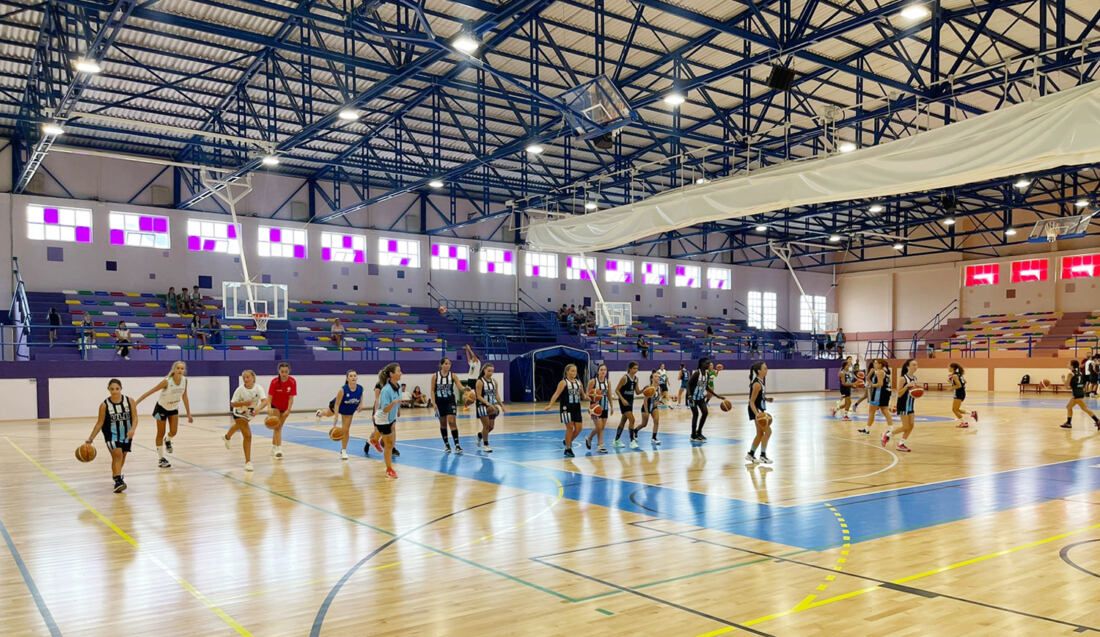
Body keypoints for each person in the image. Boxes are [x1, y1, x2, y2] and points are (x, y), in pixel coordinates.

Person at [135, 361, 193, 468]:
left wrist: (189, 414)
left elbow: (185, 396)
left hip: (173, 408)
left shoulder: (185, 380)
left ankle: (168, 440)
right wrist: (136, 403)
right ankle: (161, 459)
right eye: (178, 368)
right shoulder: (166, 381)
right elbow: (150, 392)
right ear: (174, 370)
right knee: (160, 433)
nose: (180, 370)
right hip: (160, 409)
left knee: (174, 432)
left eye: (182, 368)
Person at [84, 379, 138, 493]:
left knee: (121, 458)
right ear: (108, 389)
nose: (114, 391)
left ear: (121, 388)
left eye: (117, 389)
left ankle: (116, 476)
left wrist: (133, 429)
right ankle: (118, 481)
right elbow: (99, 423)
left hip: (127, 434)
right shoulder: (104, 405)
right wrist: (90, 438)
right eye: (112, 389)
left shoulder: (130, 401)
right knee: (117, 455)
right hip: (111, 435)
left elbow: (135, 418)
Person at [223, 370, 270, 472]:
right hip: (238, 413)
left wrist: (258, 409)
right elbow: (232, 404)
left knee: (238, 426)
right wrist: (244, 403)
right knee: (248, 435)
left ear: (253, 377)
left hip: (249, 414)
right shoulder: (240, 389)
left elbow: (265, 401)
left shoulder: (258, 388)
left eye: (248, 377)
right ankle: (248, 462)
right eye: (244, 377)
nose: (245, 379)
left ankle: (227, 437)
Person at [367, 363, 402, 479]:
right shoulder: (386, 390)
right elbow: (385, 409)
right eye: (398, 371)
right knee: (389, 444)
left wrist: (398, 409)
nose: (401, 373)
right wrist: (394, 403)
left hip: (390, 418)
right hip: (383, 419)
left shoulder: (398, 386)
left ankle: (374, 440)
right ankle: (389, 470)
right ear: (391, 374)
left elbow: (398, 400)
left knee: (387, 441)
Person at [545, 364, 587, 458]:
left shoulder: (579, 382)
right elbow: (556, 394)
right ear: (567, 372)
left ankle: (567, 441)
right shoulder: (563, 382)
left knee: (579, 428)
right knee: (570, 427)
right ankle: (568, 448)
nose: (574, 373)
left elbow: (584, 396)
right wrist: (550, 404)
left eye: (575, 371)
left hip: (577, 407)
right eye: (572, 371)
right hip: (566, 408)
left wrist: (594, 396)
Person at [328, 370, 367, 460]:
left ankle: (344, 450)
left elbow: (361, 395)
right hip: (338, 406)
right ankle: (320, 413)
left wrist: (361, 404)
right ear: (347, 378)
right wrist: (336, 417)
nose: (353, 377)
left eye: (354, 376)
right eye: (351, 376)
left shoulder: (360, 388)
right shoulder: (342, 390)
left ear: (357, 377)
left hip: (348, 410)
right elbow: (337, 404)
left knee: (346, 430)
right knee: (327, 413)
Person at [884, 359, 919, 452]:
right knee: (906, 426)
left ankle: (901, 444)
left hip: (911, 404)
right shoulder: (903, 378)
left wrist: (918, 392)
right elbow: (899, 393)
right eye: (914, 365)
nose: (916, 366)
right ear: (908, 366)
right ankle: (887, 435)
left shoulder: (915, 378)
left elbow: (913, 392)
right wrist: (906, 386)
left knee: (911, 426)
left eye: (916, 365)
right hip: (903, 404)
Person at [688, 358, 726, 441]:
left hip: (700, 397)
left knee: (705, 413)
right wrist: (690, 396)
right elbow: (688, 384)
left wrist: (717, 396)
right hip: (692, 398)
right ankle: (693, 435)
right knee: (696, 414)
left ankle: (699, 432)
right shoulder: (697, 373)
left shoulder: (707, 374)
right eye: (707, 363)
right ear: (702, 364)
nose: (709, 365)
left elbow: (707, 387)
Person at [745, 361, 775, 464]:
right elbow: (751, 401)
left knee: (760, 433)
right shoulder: (757, 384)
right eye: (765, 368)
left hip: (758, 409)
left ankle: (750, 454)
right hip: (755, 410)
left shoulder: (761, 381)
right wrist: (757, 414)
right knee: (768, 432)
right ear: (759, 371)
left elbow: (759, 397)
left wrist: (766, 399)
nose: (767, 370)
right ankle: (763, 455)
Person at [431, 357, 462, 453]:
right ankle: (447, 444)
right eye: (446, 363)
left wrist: (466, 390)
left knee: (452, 422)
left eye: (449, 364)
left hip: (450, 401)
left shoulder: (453, 375)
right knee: (443, 424)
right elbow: (432, 390)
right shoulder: (435, 376)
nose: (448, 365)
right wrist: (433, 402)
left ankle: (457, 445)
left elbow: (460, 387)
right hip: (439, 402)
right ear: (441, 365)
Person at [267, 362, 297, 458]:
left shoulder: (292, 381)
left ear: (289, 371)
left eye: (286, 372)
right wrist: (268, 407)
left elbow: (291, 398)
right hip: (275, 406)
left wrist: (288, 410)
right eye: (282, 371)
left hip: (285, 408)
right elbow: (270, 396)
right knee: (277, 427)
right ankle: (279, 449)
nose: (284, 374)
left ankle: (273, 446)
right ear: (279, 371)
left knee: (278, 427)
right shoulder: (274, 382)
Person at [858, 359, 894, 437]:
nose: (874, 364)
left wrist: (870, 385)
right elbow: (868, 379)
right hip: (885, 393)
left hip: (879, 393)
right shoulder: (884, 371)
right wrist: (870, 374)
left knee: (871, 411)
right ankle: (891, 429)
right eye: (874, 363)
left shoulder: (880, 372)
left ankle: (867, 429)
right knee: (885, 411)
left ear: (880, 364)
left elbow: (880, 384)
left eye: (876, 363)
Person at [1060, 360, 1100, 430]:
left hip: (1076, 394)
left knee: (1069, 407)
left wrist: (1063, 379)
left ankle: (1069, 423)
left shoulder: (1070, 374)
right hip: (1080, 393)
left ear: (1072, 366)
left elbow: (1066, 386)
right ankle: (1097, 421)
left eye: (1068, 363)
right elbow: (1077, 384)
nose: (1067, 364)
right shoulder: (1080, 372)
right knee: (1083, 408)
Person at [583, 363, 612, 453]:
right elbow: (586, 395)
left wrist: (612, 406)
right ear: (598, 371)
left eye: (605, 370)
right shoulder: (593, 381)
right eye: (601, 370)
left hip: (605, 406)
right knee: (599, 427)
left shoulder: (608, 382)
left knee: (602, 427)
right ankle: (600, 445)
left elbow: (609, 395)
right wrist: (593, 396)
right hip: (595, 407)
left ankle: (590, 439)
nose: (603, 372)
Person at [474, 363, 503, 452]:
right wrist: (487, 403)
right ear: (484, 371)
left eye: (492, 371)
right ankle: (486, 445)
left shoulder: (494, 381)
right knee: (486, 426)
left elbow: (496, 394)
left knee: (491, 427)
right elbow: (478, 396)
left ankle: (480, 436)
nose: (491, 372)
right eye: (489, 371)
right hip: (482, 406)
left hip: (492, 405)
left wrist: (502, 405)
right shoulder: (480, 381)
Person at [612, 362, 639, 448]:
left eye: (637, 368)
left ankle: (616, 440)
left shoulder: (636, 379)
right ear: (630, 369)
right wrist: (622, 399)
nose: (636, 370)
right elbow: (616, 390)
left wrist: (645, 390)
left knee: (623, 421)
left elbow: (637, 392)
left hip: (630, 402)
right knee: (632, 420)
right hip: (624, 402)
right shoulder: (625, 378)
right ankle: (632, 441)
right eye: (634, 368)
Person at [948, 363, 978, 428]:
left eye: (949, 367)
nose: (948, 368)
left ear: (953, 368)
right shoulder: (959, 375)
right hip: (962, 392)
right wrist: (951, 381)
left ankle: (964, 423)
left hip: (959, 393)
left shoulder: (955, 375)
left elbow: (959, 385)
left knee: (954, 410)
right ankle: (972, 413)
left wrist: (951, 388)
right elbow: (964, 382)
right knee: (957, 409)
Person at [638, 369, 662, 445]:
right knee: (644, 424)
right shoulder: (649, 387)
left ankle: (654, 438)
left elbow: (658, 398)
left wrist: (658, 402)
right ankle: (635, 431)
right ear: (652, 378)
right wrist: (646, 411)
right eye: (655, 376)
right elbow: (645, 400)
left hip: (654, 407)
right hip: (646, 407)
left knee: (657, 421)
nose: (657, 377)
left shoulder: (659, 388)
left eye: (658, 376)